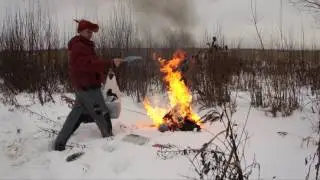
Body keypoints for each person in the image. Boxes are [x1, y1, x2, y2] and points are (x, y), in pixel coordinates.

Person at [54, 19, 123, 151]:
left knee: (76, 115)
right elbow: (87, 66)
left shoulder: (86, 46)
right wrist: (110, 62)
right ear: (80, 31)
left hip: (84, 87)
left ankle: (59, 143)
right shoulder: (79, 47)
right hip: (88, 88)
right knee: (102, 113)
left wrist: (105, 73)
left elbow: (93, 65)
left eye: (91, 31)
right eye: (87, 31)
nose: (90, 34)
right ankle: (110, 141)